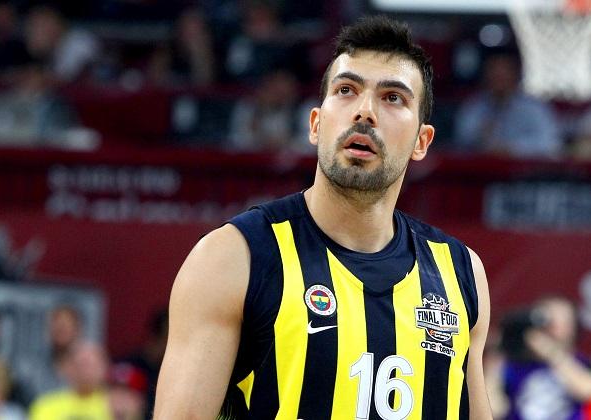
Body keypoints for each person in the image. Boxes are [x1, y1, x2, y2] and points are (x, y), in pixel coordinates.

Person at [154, 15, 493, 419]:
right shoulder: (233, 256)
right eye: (347, 90)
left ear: (422, 141)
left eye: (392, 98)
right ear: (315, 124)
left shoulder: (460, 272)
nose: (365, 112)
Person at [490, 296, 591, 420]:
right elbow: (494, 410)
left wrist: (550, 352)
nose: (551, 327)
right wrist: (500, 350)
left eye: (562, 321)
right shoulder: (513, 365)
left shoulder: (579, 362)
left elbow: (589, 391)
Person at [453, 53, 562, 159]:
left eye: (503, 74)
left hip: (524, 169)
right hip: (482, 167)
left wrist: (511, 149)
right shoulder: (473, 108)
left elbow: (550, 143)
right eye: (494, 73)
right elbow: (461, 142)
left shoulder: (534, 109)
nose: (498, 79)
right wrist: (479, 138)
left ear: (515, 75)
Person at [29, 340, 112, 420]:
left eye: (92, 365)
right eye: (81, 364)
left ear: (104, 367)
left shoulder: (113, 404)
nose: (86, 371)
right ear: (67, 368)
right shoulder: (46, 405)